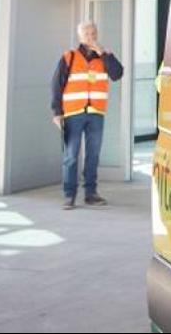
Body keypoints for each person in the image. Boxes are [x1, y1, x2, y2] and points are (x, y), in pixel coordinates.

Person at [50, 21, 123, 209]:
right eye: (87, 34)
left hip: (96, 114)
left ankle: (91, 193)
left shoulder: (104, 57)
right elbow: (56, 85)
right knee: (71, 156)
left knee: (93, 155)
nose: (91, 37)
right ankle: (69, 195)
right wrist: (57, 113)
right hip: (73, 113)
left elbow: (117, 74)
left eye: (93, 33)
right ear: (80, 37)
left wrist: (104, 53)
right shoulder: (69, 57)